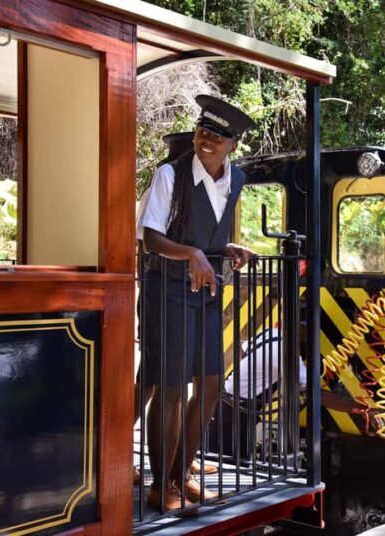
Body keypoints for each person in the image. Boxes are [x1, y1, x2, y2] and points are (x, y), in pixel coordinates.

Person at [139, 95, 256, 511]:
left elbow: (205, 234)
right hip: (167, 288)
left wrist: (229, 249)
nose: (207, 140)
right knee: (170, 386)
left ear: (233, 145)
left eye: (218, 136)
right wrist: (190, 254)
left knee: (208, 385)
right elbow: (151, 238)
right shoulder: (169, 174)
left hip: (206, 293)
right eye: (203, 132)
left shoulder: (237, 180)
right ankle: (159, 487)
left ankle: (179, 474)